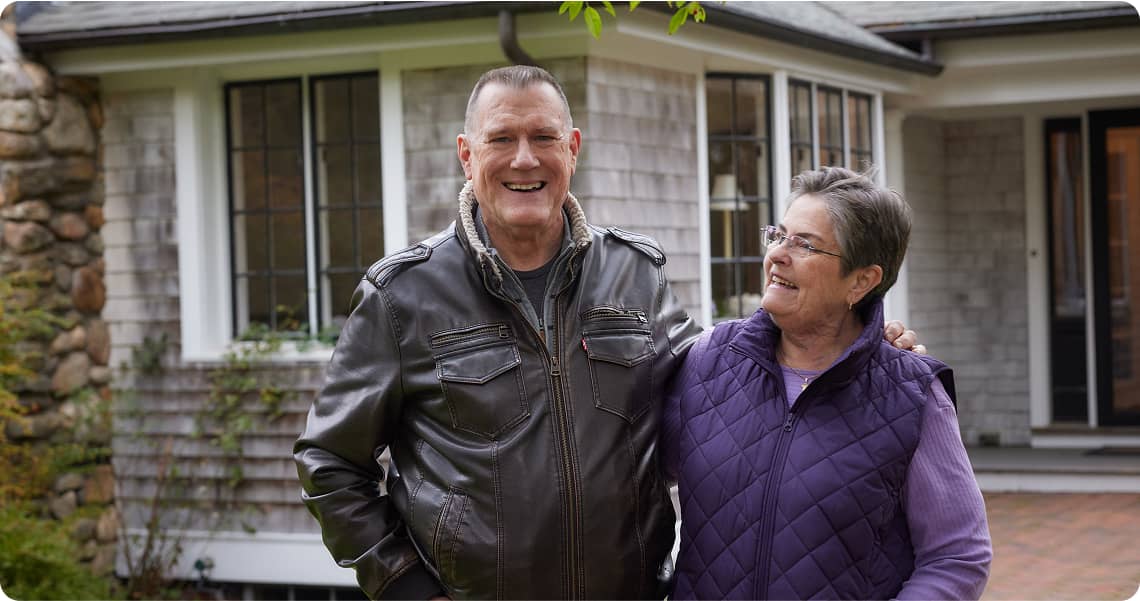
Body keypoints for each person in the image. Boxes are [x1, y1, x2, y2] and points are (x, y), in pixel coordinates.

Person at [295, 66, 920, 600]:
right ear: (467, 154)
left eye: (543, 137)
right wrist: (404, 586)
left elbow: (731, 381)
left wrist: (859, 344)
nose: (524, 158)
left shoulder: (636, 274)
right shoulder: (403, 295)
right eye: (501, 138)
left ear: (572, 148)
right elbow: (329, 461)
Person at [661, 166, 992, 600]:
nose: (778, 255)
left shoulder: (911, 395)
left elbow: (958, 555)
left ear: (862, 281)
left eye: (805, 244)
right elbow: (631, 476)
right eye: (779, 236)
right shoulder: (710, 360)